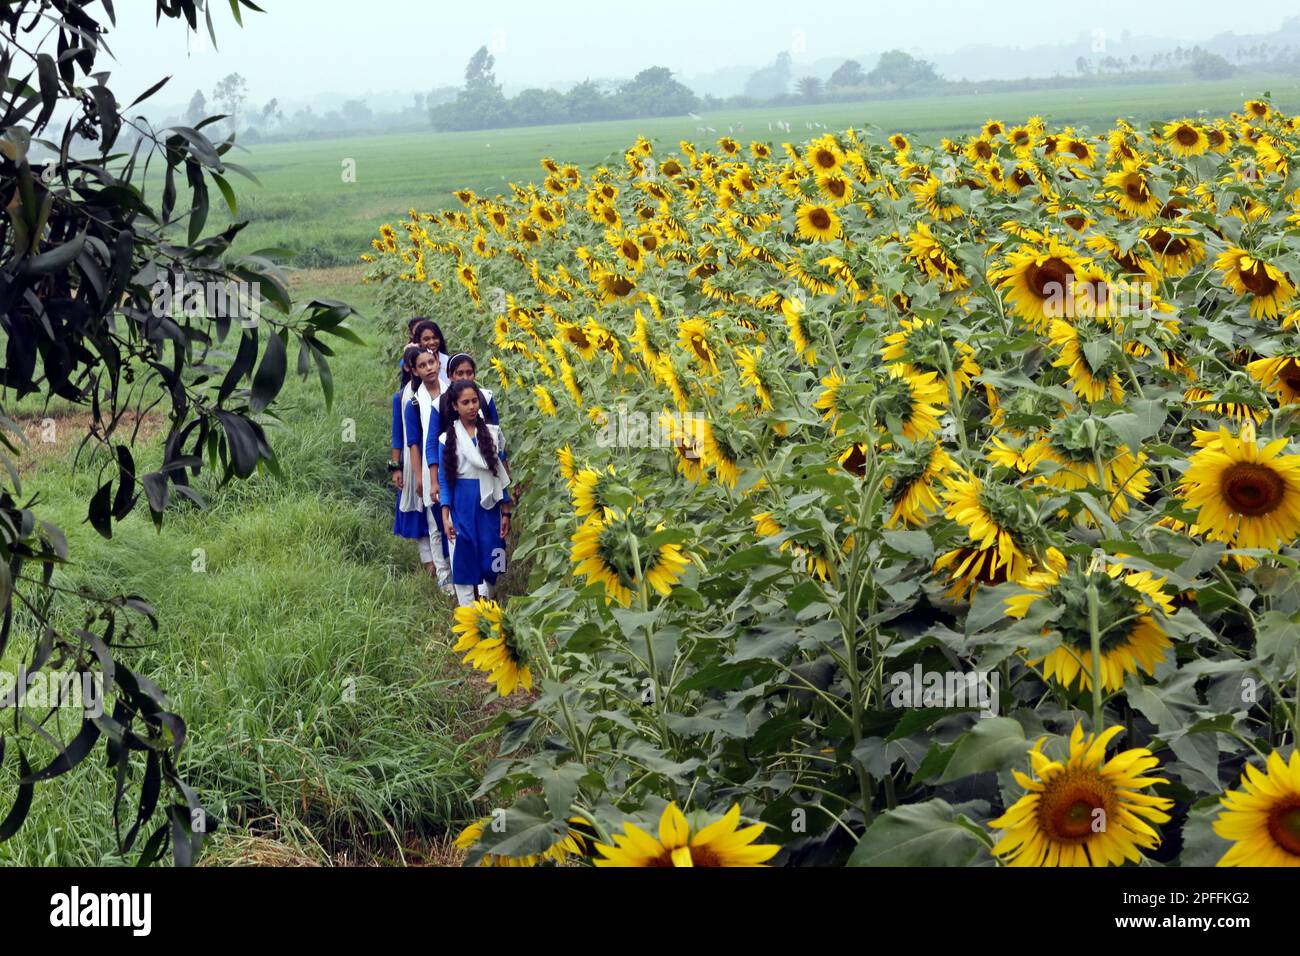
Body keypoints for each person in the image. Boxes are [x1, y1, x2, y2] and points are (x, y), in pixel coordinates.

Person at [438, 381, 512, 607]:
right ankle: (469, 608)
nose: (471, 406)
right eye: (465, 402)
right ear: (455, 406)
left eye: (474, 401)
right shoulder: (446, 440)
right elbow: (445, 479)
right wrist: (445, 514)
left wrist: (506, 510)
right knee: (465, 552)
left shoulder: (492, 433)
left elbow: (500, 473)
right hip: (463, 501)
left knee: (492, 552)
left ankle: (489, 597)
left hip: (488, 501)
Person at [404, 348, 453, 592]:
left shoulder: (452, 394)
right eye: (422, 365)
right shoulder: (413, 403)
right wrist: (419, 477)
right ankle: (443, 574)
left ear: (439, 363)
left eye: (431, 362)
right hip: (427, 466)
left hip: (453, 464)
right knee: (435, 522)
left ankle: (458, 568)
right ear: (414, 371)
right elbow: (414, 443)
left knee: (454, 519)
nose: (429, 368)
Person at [391, 345, 428, 548]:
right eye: (421, 365)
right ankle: (430, 561)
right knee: (417, 507)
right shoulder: (402, 397)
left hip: (436, 455)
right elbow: (397, 435)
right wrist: (395, 467)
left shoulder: (443, 393)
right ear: (411, 369)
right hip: (412, 456)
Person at [437, 353, 499, 433]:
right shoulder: (439, 403)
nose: (465, 378)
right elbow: (432, 442)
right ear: (450, 376)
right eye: (460, 374)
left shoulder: (486, 397)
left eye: (469, 373)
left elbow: (495, 431)